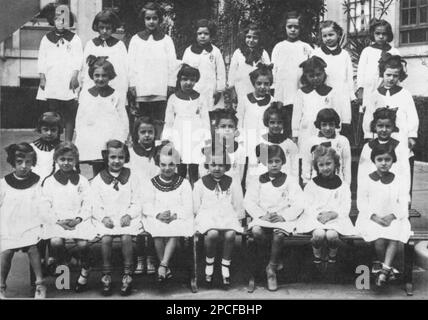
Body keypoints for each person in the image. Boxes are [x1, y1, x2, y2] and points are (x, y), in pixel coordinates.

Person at [244, 145, 305, 291]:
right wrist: (261, 215)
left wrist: (284, 216)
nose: (274, 164)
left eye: (277, 161)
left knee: (278, 235)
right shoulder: (257, 180)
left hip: (282, 219)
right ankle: (272, 260)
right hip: (263, 218)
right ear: (265, 163)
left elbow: (299, 203)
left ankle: (271, 270)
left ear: (282, 162)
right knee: (257, 231)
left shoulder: (290, 181)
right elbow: (249, 201)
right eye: (270, 161)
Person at [91, 140, 143, 296]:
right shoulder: (99, 179)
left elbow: (137, 200)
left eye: (120, 157)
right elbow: (94, 203)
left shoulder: (132, 176)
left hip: (127, 217)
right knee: (106, 239)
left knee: (127, 237)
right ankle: (106, 274)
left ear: (125, 158)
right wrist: (103, 218)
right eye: (113, 157)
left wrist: (129, 214)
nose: (116, 161)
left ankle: (128, 274)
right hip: (107, 219)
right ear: (106, 158)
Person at [41, 142, 95, 293]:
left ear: (76, 161)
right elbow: (45, 205)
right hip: (58, 221)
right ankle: (64, 271)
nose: (66, 163)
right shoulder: (49, 182)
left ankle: (85, 269)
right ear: (56, 160)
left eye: (70, 160)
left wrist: (78, 219)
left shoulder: (82, 181)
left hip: (78, 220)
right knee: (56, 242)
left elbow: (88, 203)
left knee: (83, 245)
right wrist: (57, 221)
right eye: (62, 159)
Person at [356, 143, 411, 287]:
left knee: (394, 234)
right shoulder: (366, 179)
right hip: (371, 218)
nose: (384, 163)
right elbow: (362, 202)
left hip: (393, 217)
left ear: (393, 161)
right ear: (374, 160)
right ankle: (387, 269)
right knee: (379, 238)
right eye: (379, 159)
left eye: (388, 160)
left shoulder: (399, 180)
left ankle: (384, 271)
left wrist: (392, 216)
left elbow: (404, 202)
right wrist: (375, 217)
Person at [1, 143, 47, 299]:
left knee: (33, 248)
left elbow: (42, 204)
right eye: (19, 162)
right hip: (10, 226)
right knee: (6, 252)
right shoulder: (3, 183)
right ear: (13, 163)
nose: (24, 166)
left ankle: (40, 284)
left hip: (30, 224)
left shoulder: (37, 182)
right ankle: (1, 286)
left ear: (33, 163)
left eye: (28, 162)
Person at [296, 145, 354, 270]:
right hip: (315, 218)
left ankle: (332, 257)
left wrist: (333, 214)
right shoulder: (311, 185)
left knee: (332, 236)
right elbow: (306, 205)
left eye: (329, 163)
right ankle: (317, 257)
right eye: (321, 165)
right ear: (317, 167)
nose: (325, 168)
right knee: (319, 234)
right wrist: (318, 215)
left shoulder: (343, 186)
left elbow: (345, 206)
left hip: (336, 218)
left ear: (335, 164)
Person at [193, 148, 244, 287]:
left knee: (230, 234)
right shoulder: (200, 183)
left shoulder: (233, 182)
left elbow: (238, 203)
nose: (217, 168)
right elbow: (196, 206)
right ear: (207, 165)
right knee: (213, 234)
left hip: (227, 215)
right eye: (213, 164)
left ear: (226, 166)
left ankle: (225, 265)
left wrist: (239, 219)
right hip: (207, 216)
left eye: (221, 165)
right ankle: (209, 263)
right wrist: (197, 220)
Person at [142, 146, 193, 282]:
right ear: (158, 164)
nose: (167, 168)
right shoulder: (151, 183)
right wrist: (158, 214)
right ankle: (164, 265)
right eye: (163, 165)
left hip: (177, 217)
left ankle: (163, 265)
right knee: (157, 230)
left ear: (176, 164)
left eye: (171, 164)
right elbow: (146, 204)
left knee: (175, 228)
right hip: (157, 217)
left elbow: (188, 206)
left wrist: (175, 215)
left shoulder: (184, 183)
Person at [128, 2, 177, 138]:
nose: (151, 21)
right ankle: (141, 146)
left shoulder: (166, 40)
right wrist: (132, 84)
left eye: (154, 18)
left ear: (159, 20)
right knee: (143, 119)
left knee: (159, 119)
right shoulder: (136, 40)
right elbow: (131, 64)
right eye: (148, 18)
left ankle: (158, 145)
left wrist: (171, 84)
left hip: (160, 88)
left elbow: (172, 64)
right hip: (142, 88)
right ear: (143, 19)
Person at [75, 56, 128, 176]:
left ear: (110, 76)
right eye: (97, 75)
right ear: (92, 76)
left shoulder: (116, 94)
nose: (100, 79)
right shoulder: (85, 94)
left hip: (111, 136)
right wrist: (80, 135)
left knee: (112, 168)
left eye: (104, 75)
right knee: (97, 167)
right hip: (93, 137)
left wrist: (123, 137)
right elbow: (80, 117)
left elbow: (123, 118)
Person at [37, 3, 83, 141]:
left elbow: (78, 59)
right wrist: (42, 77)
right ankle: (54, 140)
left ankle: (68, 141)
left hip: (68, 80)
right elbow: (41, 59)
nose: (60, 23)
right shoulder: (46, 39)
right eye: (57, 20)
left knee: (69, 113)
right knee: (53, 113)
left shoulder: (74, 39)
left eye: (64, 20)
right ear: (53, 21)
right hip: (52, 80)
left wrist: (75, 76)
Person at [128, 117, 168, 275]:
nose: (146, 135)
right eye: (142, 132)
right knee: (138, 223)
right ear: (136, 133)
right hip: (136, 196)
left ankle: (151, 256)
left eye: (150, 132)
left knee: (152, 221)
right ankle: (139, 258)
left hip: (156, 196)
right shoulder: (130, 153)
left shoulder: (160, 151)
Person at [163, 64, 210, 186]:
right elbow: (169, 121)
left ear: (196, 81)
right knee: (180, 165)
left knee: (194, 165)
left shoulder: (200, 98)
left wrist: (207, 141)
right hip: (179, 135)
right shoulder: (173, 98)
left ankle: (194, 189)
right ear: (179, 80)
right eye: (184, 79)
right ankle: (180, 189)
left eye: (192, 80)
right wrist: (167, 139)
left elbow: (205, 120)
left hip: (195, 135)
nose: (188, 83)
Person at [81, 9, 129, 129]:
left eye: (108, 28)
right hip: (95, 86)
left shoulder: (119, 46)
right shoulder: (90, 44)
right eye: (101, 27)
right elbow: (86, 70)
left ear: (113, 28)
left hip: (114, 87)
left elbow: (123, 70)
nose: (104, 31)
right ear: (97, 27)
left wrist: (122, 91)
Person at [312, 20, 355, 136]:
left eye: (331, 34)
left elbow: (349, 76)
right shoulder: (316, 53)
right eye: (324, 36)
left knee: (339, 121)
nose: (328, 38)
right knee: (324, 120)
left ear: (338, 34)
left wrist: (352, 95)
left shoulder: (344, 54)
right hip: (323, 92)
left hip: (341, 92)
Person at [358, 107, 411, 201]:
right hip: (373, 193)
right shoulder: (368, 147)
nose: (384, 129)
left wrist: (404, 196)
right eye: (380, 126)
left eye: (388, 126)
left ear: (393, 127)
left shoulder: (399, 147)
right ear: (374, 126)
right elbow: (362, 174)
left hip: (393, 193)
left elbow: (405, 173)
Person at [272, 11, 312, 131]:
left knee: (299, 125)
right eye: (290, 27)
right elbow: (274, 71)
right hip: (283, 93)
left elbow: (311, 69)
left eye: (296, 27)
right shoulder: (279, 47)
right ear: (285, 28)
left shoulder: (306, 47)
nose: (293, 30)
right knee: (285, 124)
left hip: (300, 91)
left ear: (301, 28)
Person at [291, 56, 337, 153]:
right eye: (311, 76)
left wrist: (336, 132)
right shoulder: (301, 93)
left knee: (324, 156)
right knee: (306, 156)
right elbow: (296, 115)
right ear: (305, 77)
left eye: (318, 74)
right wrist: (295, 135)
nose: (315, 78)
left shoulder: (331, 92)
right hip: (306, 132)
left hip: (325, 132)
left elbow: (336, 114)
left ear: (324, 74)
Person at [182, 18, 226, 115]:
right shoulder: (188, 51)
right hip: (194, 89)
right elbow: (183, 72)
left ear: (211, 35)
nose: (203, 36)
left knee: (212, 115)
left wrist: (219, 90)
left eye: (206, 34)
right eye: (199, 33)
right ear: (195, 35)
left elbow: (221, 72)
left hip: (211, 91)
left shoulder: (215, 52)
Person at [246, 103, 299, 184]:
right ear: (267, 122)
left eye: (279, 122)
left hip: (285, 186)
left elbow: (295, 170)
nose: (276, 125)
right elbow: (253, 172)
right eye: (272, 122)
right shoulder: (261, 144)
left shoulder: (289, 144)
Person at [301, 108, 351, 186]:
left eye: (331, 124)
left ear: (336, 124)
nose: (328, 128)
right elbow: (307, 164)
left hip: (337, 184)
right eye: (324, 124)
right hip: (316, 184)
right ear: (319, 125)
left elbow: (346, 166)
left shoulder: (343, 140)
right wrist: (306, 182)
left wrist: (347, 185)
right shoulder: (311, 141)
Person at [356, 19, 399, 108]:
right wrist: (361, 91)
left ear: (389, 35)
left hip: (388, 87)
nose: (381, 36)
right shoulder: (367, 51)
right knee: (369, 112)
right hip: (370, 88)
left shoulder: (394, 52)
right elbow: (360, 72)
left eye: (384, 34)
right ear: (373, 34)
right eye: (377, 33)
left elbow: (398, 73)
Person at [200, 108, 247, 187]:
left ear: (236, 130)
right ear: (217, 129)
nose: (227, 129)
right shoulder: (208, 149)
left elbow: (240, 175)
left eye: (230, 126)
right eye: (223, 126)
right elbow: (202, 173)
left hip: (232, 189)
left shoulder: (240, 150)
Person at [228, 23, 270, 107]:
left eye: (255, 38)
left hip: (258, 90)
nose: (251, 40)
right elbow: (232, 74)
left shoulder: (263, 53)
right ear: (244, 37)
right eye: (248, 37)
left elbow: (269, 73)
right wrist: (233, 94)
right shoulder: (238, 53)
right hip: (241, 89)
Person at [237, 63, 274, 147]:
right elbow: (239, 121)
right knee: (249, 159)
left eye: (266, 84)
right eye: (259, 83)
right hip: (248, 140)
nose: (262, 87)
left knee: (263, 158)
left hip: (265, 141)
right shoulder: (245, 100)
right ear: (254, 83)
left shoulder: (272, 101)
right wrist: (240, 140)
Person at [31, 112, 63, 180]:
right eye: (45, 129)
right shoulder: (32, 147)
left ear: (59, 130)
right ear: (40, 129)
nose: (49, 133)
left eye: (53, 130)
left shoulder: (63, 147)